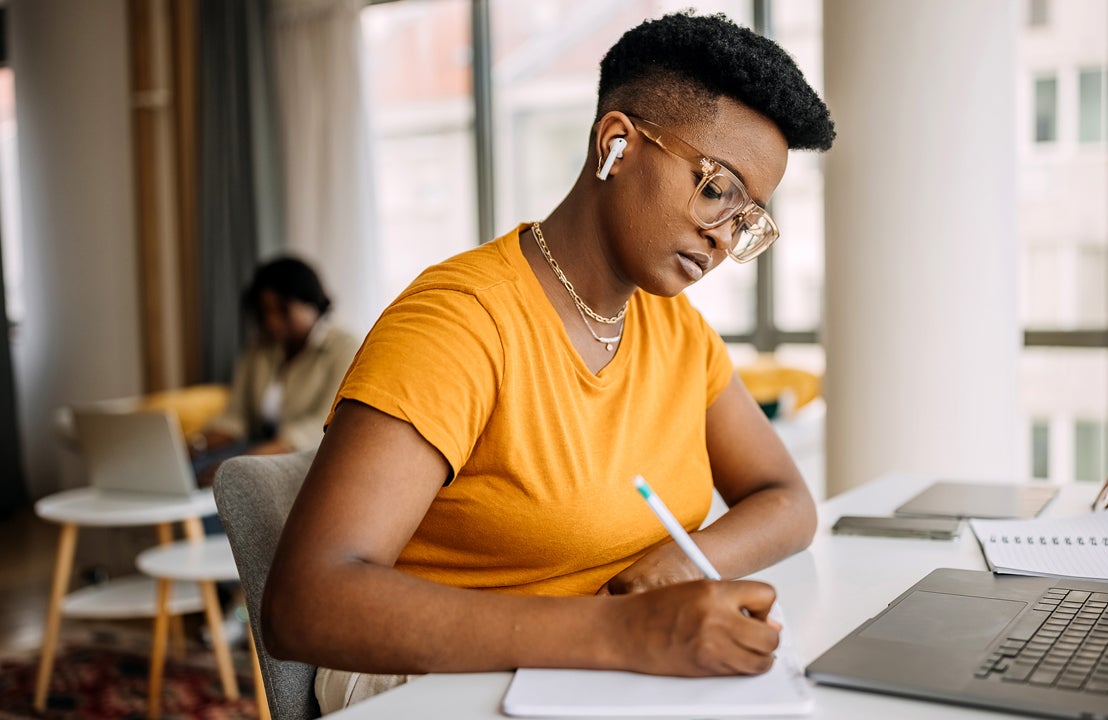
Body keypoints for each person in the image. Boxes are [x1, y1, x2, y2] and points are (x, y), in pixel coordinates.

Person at [261, 11, 836, 712]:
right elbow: (305, 603)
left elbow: (786, 500)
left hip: (593, 665)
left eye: (748, 221)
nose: (722, 239)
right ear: (617, 144)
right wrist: (626, 632)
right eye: (717, 191)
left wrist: (676, 567)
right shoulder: (458, 322)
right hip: (427, 681)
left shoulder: (677, 331)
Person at [190, 256, 360, 484]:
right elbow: (236, 415)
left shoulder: (343, 348)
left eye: (282, 310)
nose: (272, 321)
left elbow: (321, 426)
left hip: (305, 455)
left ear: (309, 302)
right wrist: (196, 445)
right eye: (265, 311)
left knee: (229, 482)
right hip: (256, 446)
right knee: (191, 472)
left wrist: (248, 460)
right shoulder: (259, 347)